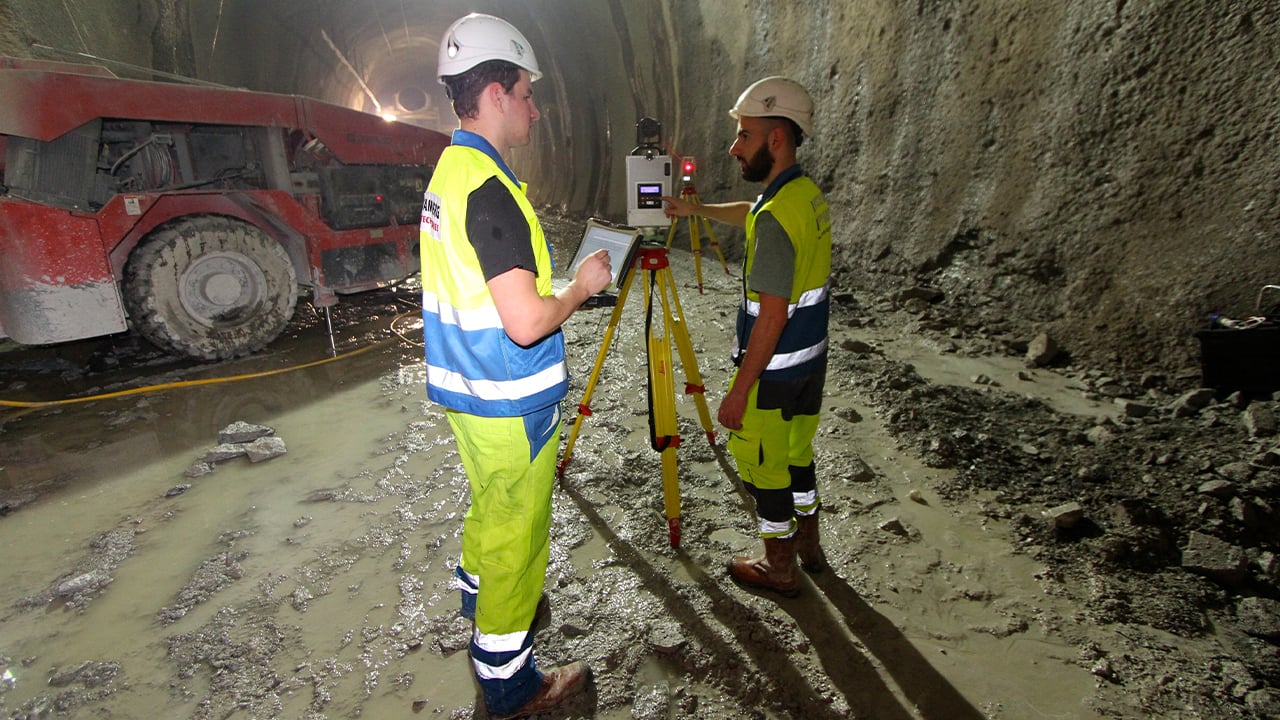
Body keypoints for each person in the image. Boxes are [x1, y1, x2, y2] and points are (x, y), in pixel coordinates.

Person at [419, 12, 612, 718]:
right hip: (507, 398)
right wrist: (580, 289)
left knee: (489, 507)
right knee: (517, 535)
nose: (535, 107)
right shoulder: (490, 191)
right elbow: (527, 321)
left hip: (468, 390)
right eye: (527, 93)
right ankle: (509, 682)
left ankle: (480, 600)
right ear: (496, 94)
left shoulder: (451, 171)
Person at [663, 76, 832, 598]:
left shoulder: (779, 217)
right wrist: (699, 210)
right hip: (809, 369)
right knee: (798, 456)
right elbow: (754, 215)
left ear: (775, 139)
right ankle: (809, 543)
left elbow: (771, 317)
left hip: (774, 372)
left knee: (765, 468)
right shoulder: (801, 196)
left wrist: (739, 390)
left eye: (744, 135)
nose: (734, 147)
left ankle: (778, 564)